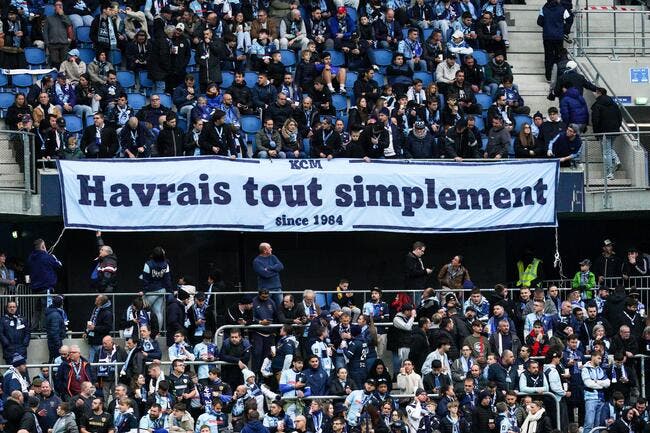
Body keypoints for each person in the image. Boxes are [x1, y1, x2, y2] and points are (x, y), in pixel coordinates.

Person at [27, 238, 62, 331]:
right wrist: (53, 256)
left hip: (35, 289)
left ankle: (33, 329)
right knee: (46, 309)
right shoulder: (48, 257)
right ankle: (43, 330)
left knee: (37, 310)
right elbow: (59, 265)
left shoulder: (30, 257)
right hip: (46, 288)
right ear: (43, 246)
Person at [591, 88, 623, 180]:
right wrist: (617, 127)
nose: (594, 94)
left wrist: (597, 133)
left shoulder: (597, 105)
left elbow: (595, 120)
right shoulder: (614, 104)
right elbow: (619, 117)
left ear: (599, 93)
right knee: (609, 149)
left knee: (606, 152)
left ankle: (609, 173)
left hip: (603, 132)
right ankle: (616, 160)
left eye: (595, 92)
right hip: (614, 130)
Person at [537, 0, 569, 82]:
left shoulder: (544, 8)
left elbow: (539, 22)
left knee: (548, 57)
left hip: (547, 36)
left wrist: (547, 25)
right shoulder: (562, 8)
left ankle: (548, 77)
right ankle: (559, 75)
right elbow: (569, 19)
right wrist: (564, 29)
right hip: (558, 36)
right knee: (559, 56)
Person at [140, 247, 171, 326]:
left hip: (151, 291)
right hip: (162, 290)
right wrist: (169, 290)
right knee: (158, 311)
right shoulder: (166, 264)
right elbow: (167, 279)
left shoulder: (148, 264)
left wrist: (144, 291)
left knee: (141, 309)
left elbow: (145, 279)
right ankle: (158, 332)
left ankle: (143, 330)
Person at [253, 243, 284, 307]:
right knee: (266, 308)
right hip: (265, 290)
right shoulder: (257, 261)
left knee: (281, 308)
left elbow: (281, 266)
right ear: (265, 250)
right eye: (269, 248)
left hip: (277, 288)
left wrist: (269, 268)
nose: (271, 249)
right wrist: (276, 271)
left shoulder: (273, 257)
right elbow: (265, 274)